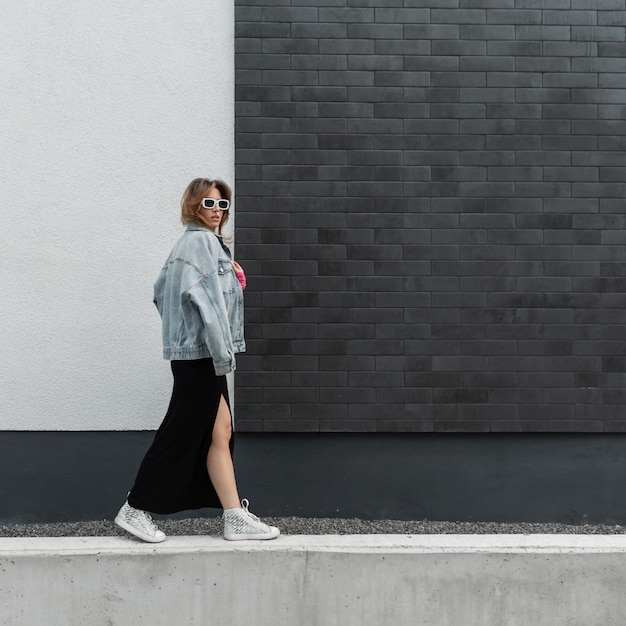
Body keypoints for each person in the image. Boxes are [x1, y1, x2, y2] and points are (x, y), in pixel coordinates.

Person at [114, 177, 279, 543]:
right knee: (181, 431)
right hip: (204, 355)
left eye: (223, 205)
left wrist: (229, 281)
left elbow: (162, 292)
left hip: (195, 353)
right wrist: (221, 353)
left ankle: (234, 515)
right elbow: (210, 307)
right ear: (194, 206)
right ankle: (134, 507)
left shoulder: (193, 245)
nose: (218, 212)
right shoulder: (202, 242)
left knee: (219, 431)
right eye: (209, 204)